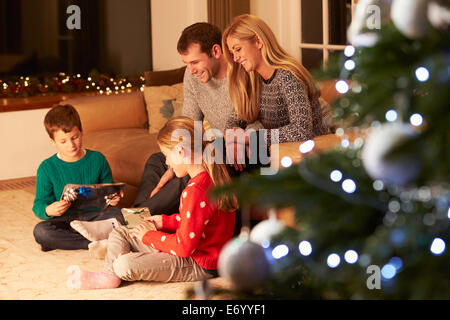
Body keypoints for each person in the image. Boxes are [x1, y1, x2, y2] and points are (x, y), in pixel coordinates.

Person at [65, 116, 238, 289]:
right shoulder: (211, 177)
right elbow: (198, 221)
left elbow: (184, 247)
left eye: (166, 156)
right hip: (196, 250)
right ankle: (110, 274)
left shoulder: (195, 191)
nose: (167, 162)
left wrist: (149, 236)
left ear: (180, 152)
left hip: (198, 263)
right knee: (121, 232)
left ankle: (113, 271)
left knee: (124, 264)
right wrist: (163, 221)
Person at [133, 22, 256, 216]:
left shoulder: (243, 71)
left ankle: (130, 220)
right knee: (157, 161)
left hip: (238, 154)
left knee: (195, 164)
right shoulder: (192, 77)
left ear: (216, 51)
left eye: (194, 62)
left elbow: (260, 119)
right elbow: (189, 123)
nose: (190, 70)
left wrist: (243, 137)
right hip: (215, 145)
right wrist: (173, 162)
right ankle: (135, 218)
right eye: (187, 64)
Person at [222, 14, 330, 146]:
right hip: (276, 151)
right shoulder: (252, 78)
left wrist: (250, 138)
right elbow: (233, 119)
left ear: (258, 41)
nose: (235, 58)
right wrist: (233, 142)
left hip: (309, 153)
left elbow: (301, 130)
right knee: (221, 149)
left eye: (238, 49)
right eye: (232, 53)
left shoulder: (288, 77)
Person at [32, 104, 125, 251]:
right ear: (53, 142)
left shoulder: (97, 159)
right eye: (63, 141)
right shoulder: (46, 168)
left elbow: (108, 186)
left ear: (81, 132)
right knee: (41, 231)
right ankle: (92, 243)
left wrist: (113, 197)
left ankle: (69, 241)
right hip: (65, 220)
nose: (71, 145)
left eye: (75, 137)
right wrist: (49, 210)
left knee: (120, 215)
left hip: (94, 217)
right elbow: (39, 204)